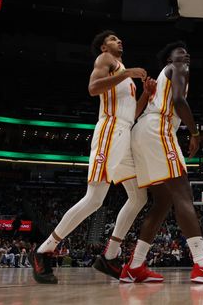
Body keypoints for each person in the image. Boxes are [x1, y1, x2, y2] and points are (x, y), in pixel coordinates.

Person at [30, 31, 153, 284]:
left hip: (124, 132)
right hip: (110, 131)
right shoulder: (106, 60)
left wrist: (146, 95)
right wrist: (128, 73)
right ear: (102, 46)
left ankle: (109, 256)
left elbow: (133, 113)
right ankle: (44, 250)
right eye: (113, 38)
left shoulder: (122, 72)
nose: (119, 41)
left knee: (139, 196)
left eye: (119, 38)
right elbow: (92, 88)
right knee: (94, 198)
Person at [121, 42, 203, 284]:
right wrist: (195, 133)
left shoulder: (166, 75)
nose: (186, 54)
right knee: (183, 192)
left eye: (188, 52)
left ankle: (134, 266)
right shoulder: (178, 68)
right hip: (158, 129)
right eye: (179, 51)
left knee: (162, 201)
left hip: (140, 132)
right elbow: (178, 101)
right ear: (169, 59)